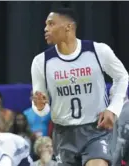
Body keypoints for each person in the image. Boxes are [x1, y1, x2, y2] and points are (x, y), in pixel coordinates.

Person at [31, 8, 129, 166]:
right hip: (64, 134)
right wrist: (40, 106)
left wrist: (113, 108)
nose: (46, 29)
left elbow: (122, 76)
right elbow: (41, 108)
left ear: (68, 27)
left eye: (51, 24)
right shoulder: (40, 62)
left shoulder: (98, 51)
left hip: (96, 129)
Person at [110, 86, 129, 166]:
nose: (110, 98)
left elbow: (121, 142)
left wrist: (114, 163)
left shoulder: (125, 112)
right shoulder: (120, 110)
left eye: (111, 95)